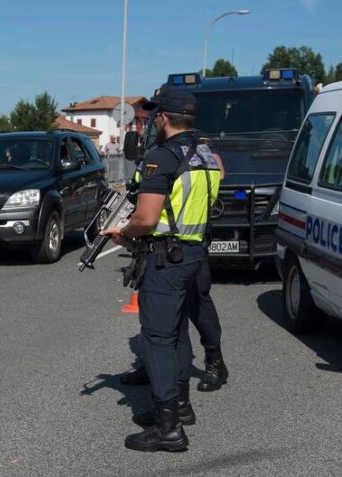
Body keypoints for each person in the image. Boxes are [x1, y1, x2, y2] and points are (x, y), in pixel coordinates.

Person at [101, 89, 221, 452]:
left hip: (166, 259)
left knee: (158, 339)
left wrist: (122, 231)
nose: (153, 121)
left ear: (164, 118)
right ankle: (181, 408)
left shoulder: (161, 157)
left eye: (155, 116)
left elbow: (146, 217)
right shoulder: (207, 156)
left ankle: (168, 427)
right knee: (177, 332)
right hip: (194, 252)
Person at [120, 136, 228, 394]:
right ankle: (155, 366)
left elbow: (219, 172)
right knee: (153, 307)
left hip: (187, 243)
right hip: (155, 243)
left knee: (197, 301)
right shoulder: (155, 150)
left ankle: (215, 361)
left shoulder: (196, 146)